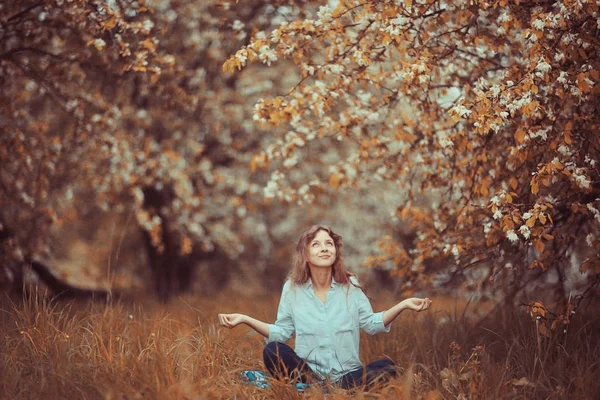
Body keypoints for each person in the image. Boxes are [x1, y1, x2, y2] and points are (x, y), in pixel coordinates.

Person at [218, 225, 432, 391]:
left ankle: (319, 392)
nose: (324, 248)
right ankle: (319, 388)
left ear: (335, 251)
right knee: (272, 350)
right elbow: (281, 333)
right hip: (308, 374)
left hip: (348, 375)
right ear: (305, 253)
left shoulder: (351, 285)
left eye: (328, 243)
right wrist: (245, 318)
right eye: (316, 244)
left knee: (389, 368)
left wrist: (404, 304)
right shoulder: (292, 289)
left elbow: (372, 324)